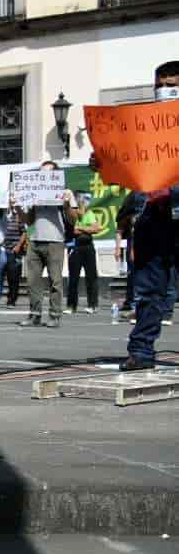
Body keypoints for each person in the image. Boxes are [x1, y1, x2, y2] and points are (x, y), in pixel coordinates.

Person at [107, 60, 179, 370]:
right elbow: (128, 167)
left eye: (172, 84)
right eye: (160, 84)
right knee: (149, 290)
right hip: (152, 214)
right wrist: (106, 161)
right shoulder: (143, 126)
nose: (165, 89)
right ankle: (141, 351)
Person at [20, 160, 75, 328]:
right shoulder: (34, 191)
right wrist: (17, 207)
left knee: (55, 281)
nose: (43, 175)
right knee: (32, 281)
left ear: (55, 175)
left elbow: (73, 219)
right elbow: (28, 220)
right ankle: (35, 315)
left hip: (55, 240)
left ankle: (55, 315)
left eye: (47, 173)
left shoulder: (65, 191)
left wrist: (66, 204)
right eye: (41, 172)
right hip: (35, 239)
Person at [65, 190, 100, 314]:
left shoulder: (89, 214)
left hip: (88, 247)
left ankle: (93, 305)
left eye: (83, 202)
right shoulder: (71, 216)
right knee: (73, 277)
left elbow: (96, 228)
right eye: (80, 202)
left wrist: (81, 228)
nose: (82, 205)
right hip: (75, 247)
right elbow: (73, 231)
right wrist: (86, 229)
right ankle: (71, 306)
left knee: (91, 276)